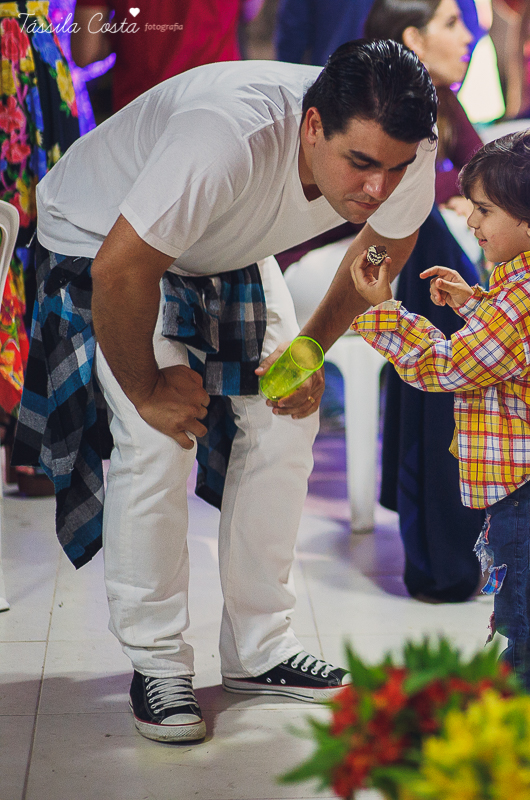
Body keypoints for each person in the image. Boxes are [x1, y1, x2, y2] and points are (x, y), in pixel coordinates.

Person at [12, 40, 439, 743]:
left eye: (393, 170)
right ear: (310, 128)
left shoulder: (406, 149)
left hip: (220, 242)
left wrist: (308, 352)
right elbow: (123, 268)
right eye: (360, 165)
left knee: (289, 417)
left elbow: (382, 249)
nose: (377, 188)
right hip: (103, 237)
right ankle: (157, 664)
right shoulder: (227, 137)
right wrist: (148, 389)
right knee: (158, 438)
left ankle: (260, 649)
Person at [351, 127, 530, 705]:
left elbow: (445, 367)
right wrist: (473, 303)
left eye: (484, 209)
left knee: (522, 622)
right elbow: (516, 348)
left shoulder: (521, 298)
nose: (470, 219)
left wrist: (385, 313)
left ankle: (527, 747)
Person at [364, 0, 488, 603]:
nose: (470, 33)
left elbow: (483, 171)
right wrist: (456, 196)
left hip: (402, 253)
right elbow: (385, 186)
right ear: (411, 37)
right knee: (443, 272)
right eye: (451, 23)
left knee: (443, 266)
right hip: (342, 261)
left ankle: (448, 532)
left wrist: (473, 199)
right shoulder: (382, 99)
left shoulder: (444, 97)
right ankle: (444, 541)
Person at [0, 1, 80, 497]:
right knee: (16, 243)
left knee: (44, 246)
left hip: (37, 54)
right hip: (20, 56)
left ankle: (31, 436)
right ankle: (25, 433)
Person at [71, 1, 262, 113]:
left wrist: (123, 32)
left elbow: (85, 51)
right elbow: (250, 10)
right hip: (218, 102)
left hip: (143, 112)